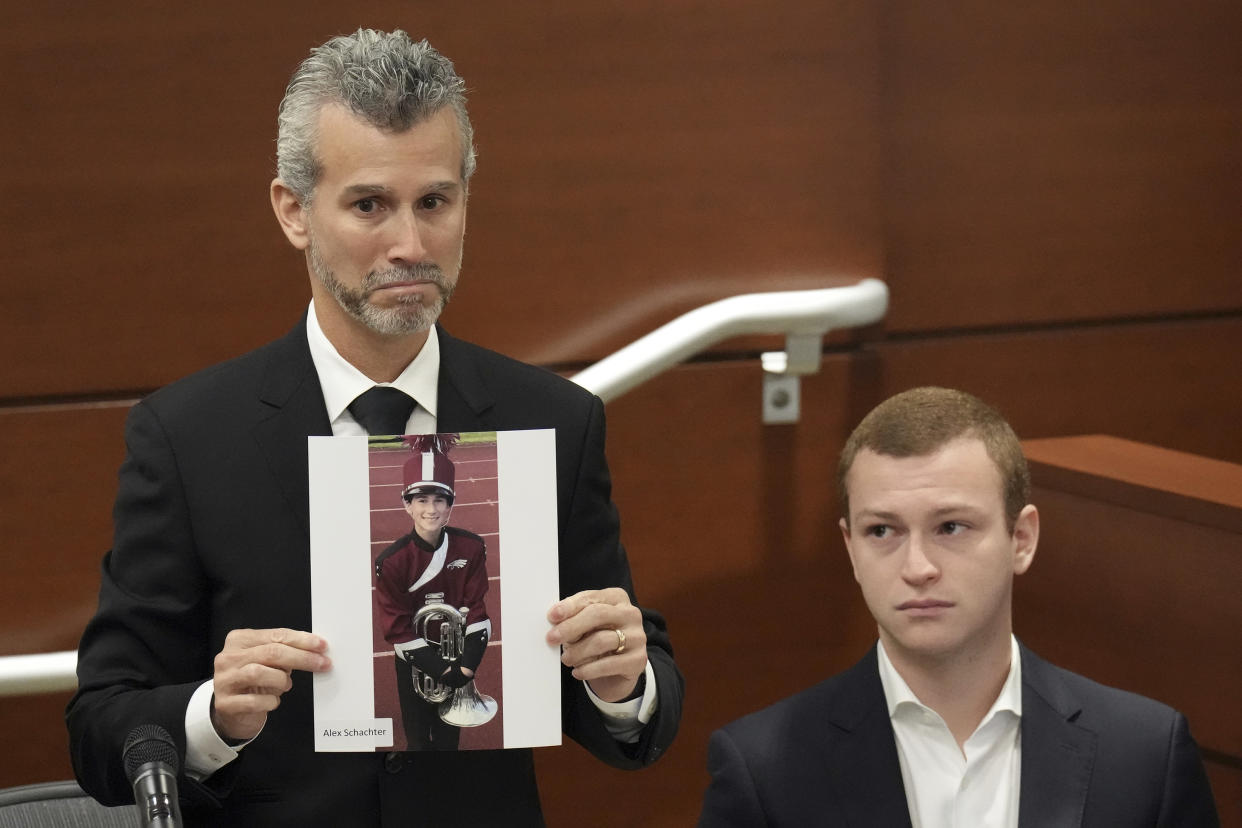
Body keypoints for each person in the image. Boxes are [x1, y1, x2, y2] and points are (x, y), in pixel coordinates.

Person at [67, 28, 682, 826]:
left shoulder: (553, 422)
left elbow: (634, 714)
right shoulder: (187, 439)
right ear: (294, 211)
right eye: (369, 205)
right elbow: (99, 728)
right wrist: (212, 717)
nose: (410, 245)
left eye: (434, 202)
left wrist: (623, 684)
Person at [698, 387, 1218, 827]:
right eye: (882, 530)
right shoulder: (763, 769)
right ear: (851, 549)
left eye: (950, 527)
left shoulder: (1145, 754)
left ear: (1022, 539)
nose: (917, 566)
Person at [374, 438, 495, 750]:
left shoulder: (470, 547)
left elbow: (476, 608)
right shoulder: (391, 561)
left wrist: (465, 667)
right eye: (422, 500)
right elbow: (397, 627)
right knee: (417, 738)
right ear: (407, 505)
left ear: (450, 505)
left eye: (439, 500)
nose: (431, 509)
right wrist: (439, 669)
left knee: (448, 738)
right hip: (416, 661)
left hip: (457, 655)